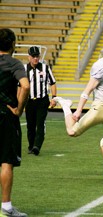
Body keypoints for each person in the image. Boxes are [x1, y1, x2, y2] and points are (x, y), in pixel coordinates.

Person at [53, 41, 103, 137]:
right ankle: (65, 105)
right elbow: (88, 90)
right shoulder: (102, 66)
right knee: (72, 132)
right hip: (100, 108)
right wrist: (79, 110)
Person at [0, 28, 30, 217]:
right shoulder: (14, 63)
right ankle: (6, 207)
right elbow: (25, 85)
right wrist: (19, 108)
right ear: (13, 44)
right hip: (5, 116)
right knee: (6, 162)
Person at [24, 46, 58, 156]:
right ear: (29, 57)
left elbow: (52, 83)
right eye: (33, 56)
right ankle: (31, 145)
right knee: (30, 125)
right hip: (29, 101)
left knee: (40, 123)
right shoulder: (24, 69)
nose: (35, 59)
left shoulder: (45, 68)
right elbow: (19, 86)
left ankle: (37, 146)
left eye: (37, 56)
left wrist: (53, 97)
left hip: (42, 101)